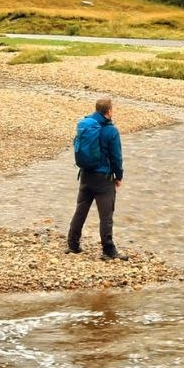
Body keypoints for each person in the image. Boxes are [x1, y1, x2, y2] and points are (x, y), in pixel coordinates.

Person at [68, 97, 127, 259]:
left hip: (86, 174)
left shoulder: (86, 126)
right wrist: (119, 176)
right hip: (103, 179)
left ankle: (73, 244)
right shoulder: (111, 131)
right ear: (109, 111)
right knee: (106, 215)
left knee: (81, 210)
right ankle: (108, 251)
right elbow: (116, 157)